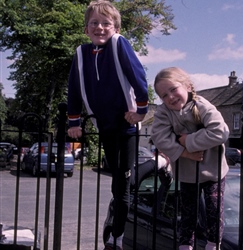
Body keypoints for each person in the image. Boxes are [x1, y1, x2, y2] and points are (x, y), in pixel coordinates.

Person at [67, 1, 148, 249]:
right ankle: (116, 224)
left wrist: (142, 109)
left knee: (123, 183)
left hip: (126, 125)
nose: (100, 27)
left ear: (115, 28)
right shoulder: (81, 53)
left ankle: (118, 237)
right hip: (105, 125)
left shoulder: (118, 43)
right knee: (117, 181)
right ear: (86, 28)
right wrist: (74, 120)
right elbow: (73, 88)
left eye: (106, 24)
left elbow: (137, 74)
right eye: (94, 23)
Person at [151, 67, 229, 250]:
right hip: (187, 172)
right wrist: (185, 152)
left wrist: (189, 140)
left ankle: (213, 245)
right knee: (188, 214)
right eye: (164, 95)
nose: (170, 97)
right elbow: (159, 137)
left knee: (214, 210)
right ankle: (185, 246)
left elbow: (221, 131)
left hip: (213, 170)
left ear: (187, 86)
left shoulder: (201, 105)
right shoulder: (164, 112)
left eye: (173, 89)